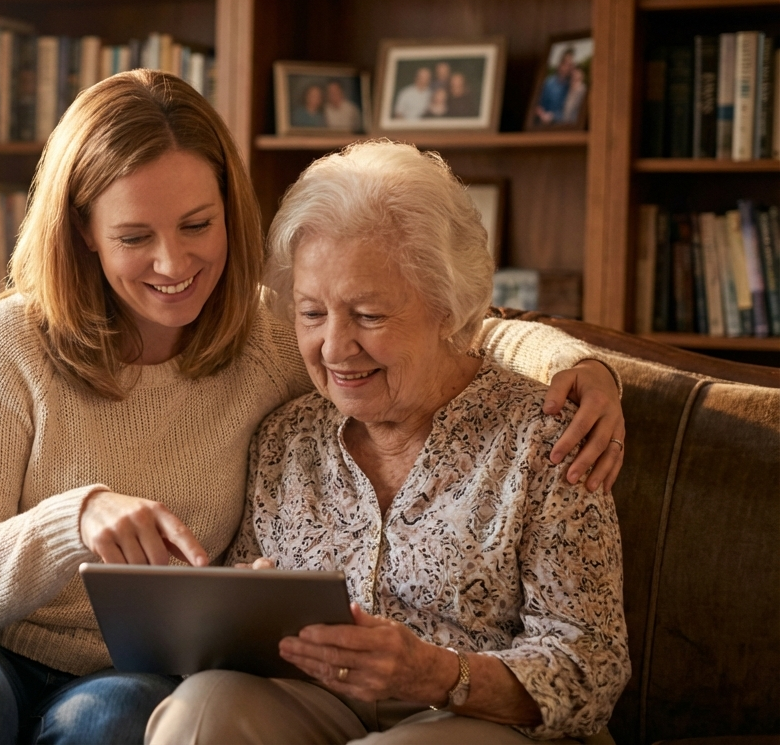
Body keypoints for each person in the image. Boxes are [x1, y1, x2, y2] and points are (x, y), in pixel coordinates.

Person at [0, 72, 626, 745]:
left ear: (230, 209)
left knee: (115, 723)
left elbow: (454, 321)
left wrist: (582, 366)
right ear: (83, 232)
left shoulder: (270, 340)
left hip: (121, 672)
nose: (174, 263)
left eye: (197, 225)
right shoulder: (11, 341)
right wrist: (72, 520)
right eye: (134, 235)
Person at [146, 141, 629, 745]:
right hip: (321, 708)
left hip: (481, 720)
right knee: (202, 708)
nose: (333, 348)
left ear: (448, 308)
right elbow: (246, 609)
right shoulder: (284, 438)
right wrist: (250, 611)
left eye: (368, 316)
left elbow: (592, 669)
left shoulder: (547, 441)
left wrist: (434, 674)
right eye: (312, 313)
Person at [534, 47, 576, 126]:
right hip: (544, 125)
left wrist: (553, 117)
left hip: (562, 126)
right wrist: (543, 115)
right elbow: (538, 104)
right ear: (561, 64)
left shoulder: (571, 86)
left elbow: (569, 111)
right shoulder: (548, 83)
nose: (569, 68)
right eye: (567, 64)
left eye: (571, 65)